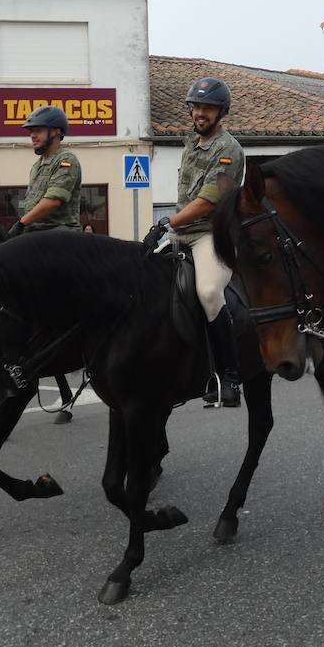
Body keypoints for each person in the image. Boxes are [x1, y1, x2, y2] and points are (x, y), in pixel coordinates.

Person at [143, 77, 246, 408]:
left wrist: (166, 222)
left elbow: (209, 200)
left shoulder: (228, 149)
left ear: (221, 112)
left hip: (210, 235)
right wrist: (170, 229)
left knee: (208, 292)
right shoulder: (191, 143)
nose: (200, 113)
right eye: (197, 107)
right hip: (181, 233)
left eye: (208, 108)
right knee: (141, 276)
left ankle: (229, 377)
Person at [8, 106, 82, 237]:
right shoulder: (38, 165)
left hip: (59, 236)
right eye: (31, 131)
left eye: (38, 130)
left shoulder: (66, 160)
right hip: (35, 233)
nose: (33, 136)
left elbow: (52, 202)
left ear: (56, 132)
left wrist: (21, 223)